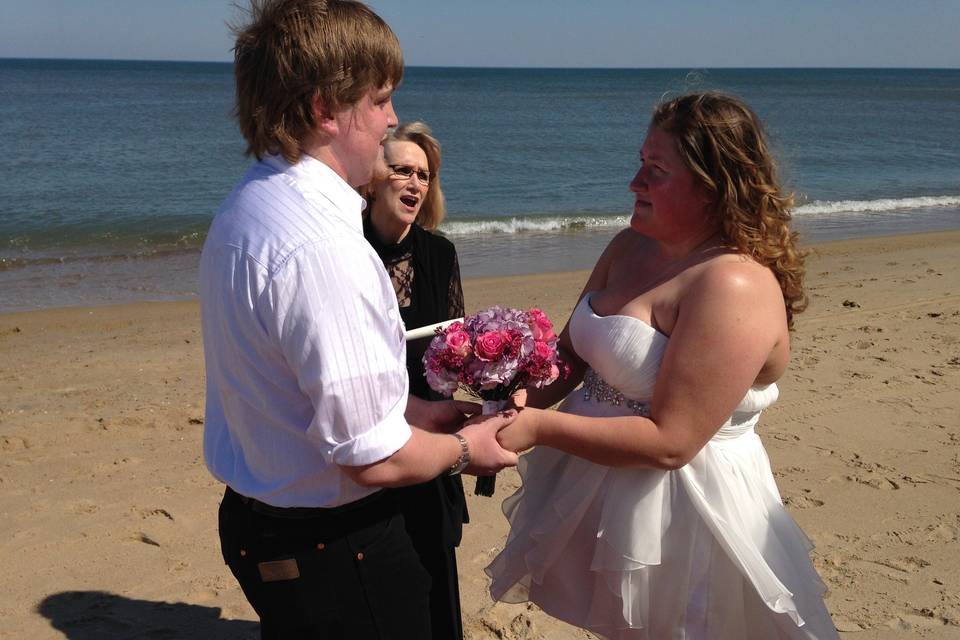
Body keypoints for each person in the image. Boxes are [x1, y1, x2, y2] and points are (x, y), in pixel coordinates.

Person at [199, 2, 517, 638]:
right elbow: (370, 460)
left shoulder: (249, 205)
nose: (392, 118)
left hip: (262, 519)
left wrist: (413, 413)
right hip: (335, 546)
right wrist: (464, 448)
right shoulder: (323, 245)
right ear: (325, 109)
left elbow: (301, 394)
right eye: (379, 99)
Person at [485, 92, 840, 639]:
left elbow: (673, 442)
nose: (634, 183)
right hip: (600, 488)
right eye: (640, 163)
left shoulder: (732, 283)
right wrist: (505, 387)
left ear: (711, 184)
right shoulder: (629, 246)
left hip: (689, 513)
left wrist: (535, 428)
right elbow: (572, 357)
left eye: (656, 170)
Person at [361, 122, 469, 640]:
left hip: (427, 437)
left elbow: (456, 352)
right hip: (366, 429)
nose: (414, 183)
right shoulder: (344, 251)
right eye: (401, 169)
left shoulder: (440, 255)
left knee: (432, 574)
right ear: (372, 177)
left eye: (423, 175)